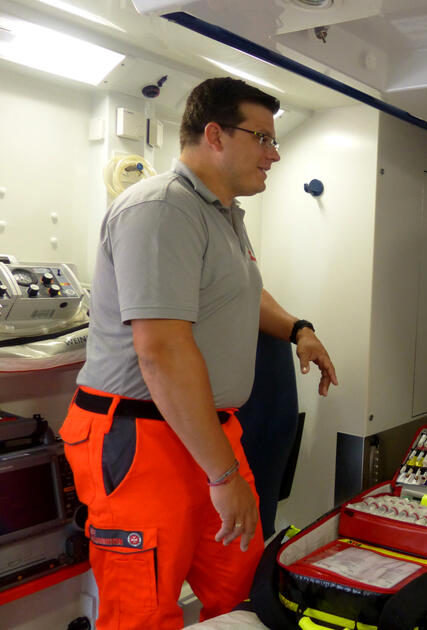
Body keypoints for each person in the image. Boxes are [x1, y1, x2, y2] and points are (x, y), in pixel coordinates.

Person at [59, 77, 338, 630]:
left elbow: (245, 292)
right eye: (262, 138)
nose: (274, 154)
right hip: (142, 440)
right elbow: (161, 352)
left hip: (208, 434)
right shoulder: (161, 210)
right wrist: (224, 476)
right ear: (214, 134)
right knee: (142, 611)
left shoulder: (222, 215)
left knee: (239, 585)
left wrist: (297, 329)